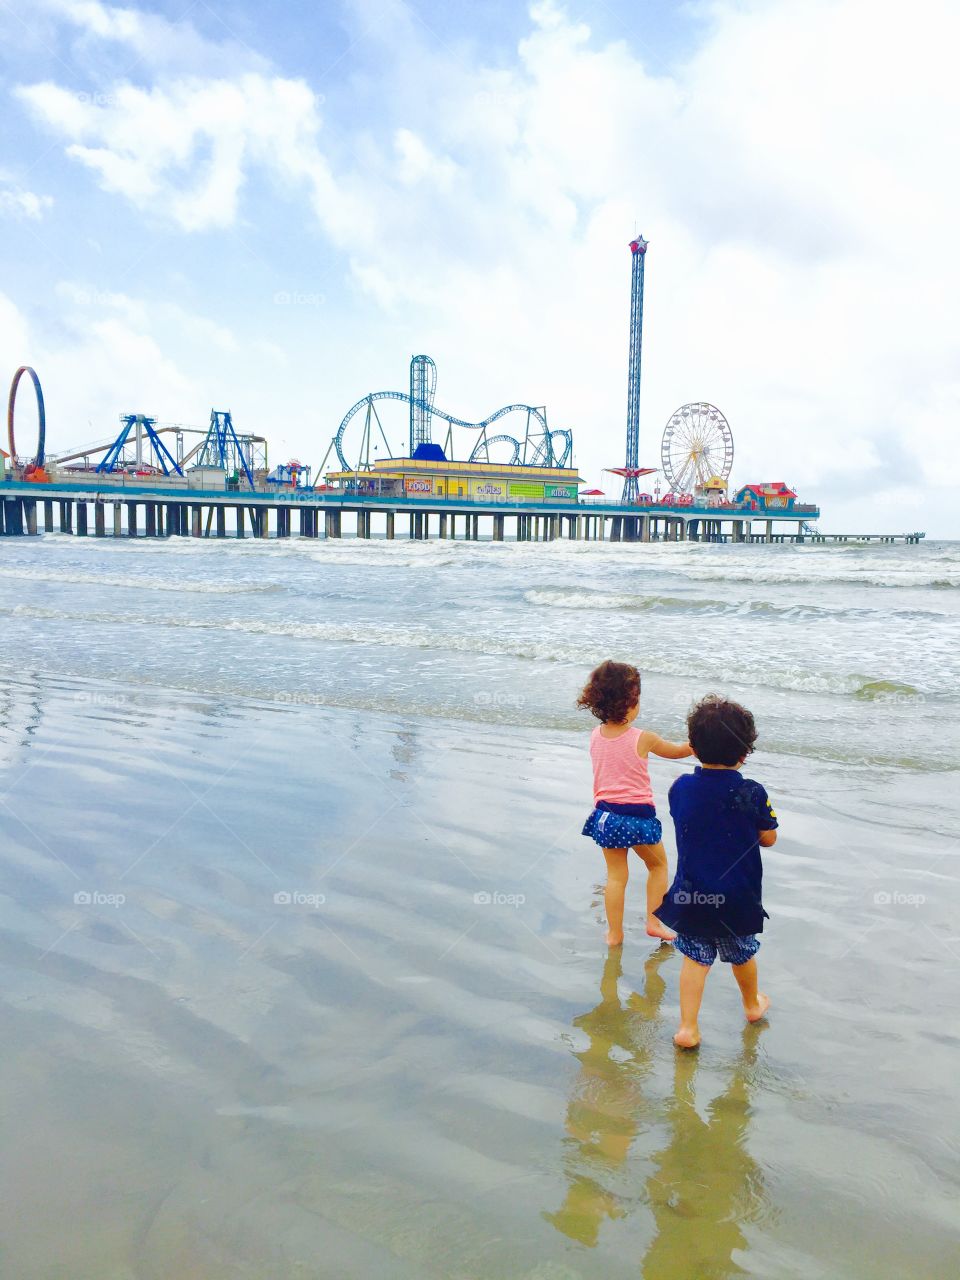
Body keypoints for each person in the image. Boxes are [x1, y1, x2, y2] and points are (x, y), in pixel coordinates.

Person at [654, 694, 778, 1048]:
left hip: (692, 892)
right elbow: (768, 838)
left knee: (695, 958)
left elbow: (689, 819)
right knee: (743, 952)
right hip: (737, 895)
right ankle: (752, 1004)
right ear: (745, 752)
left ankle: (688, 1029)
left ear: (692, 747)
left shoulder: (681, 787)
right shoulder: (751, 792)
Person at [578, 660, 693, 946]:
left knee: (616, 877)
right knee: (658, 867)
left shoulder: (595, 736)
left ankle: (614, 934)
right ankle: (653, 922)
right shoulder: (643, 738)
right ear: (630, 703)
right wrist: (697, 742)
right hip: (637, 818)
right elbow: (677, 752)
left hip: (606, 815)